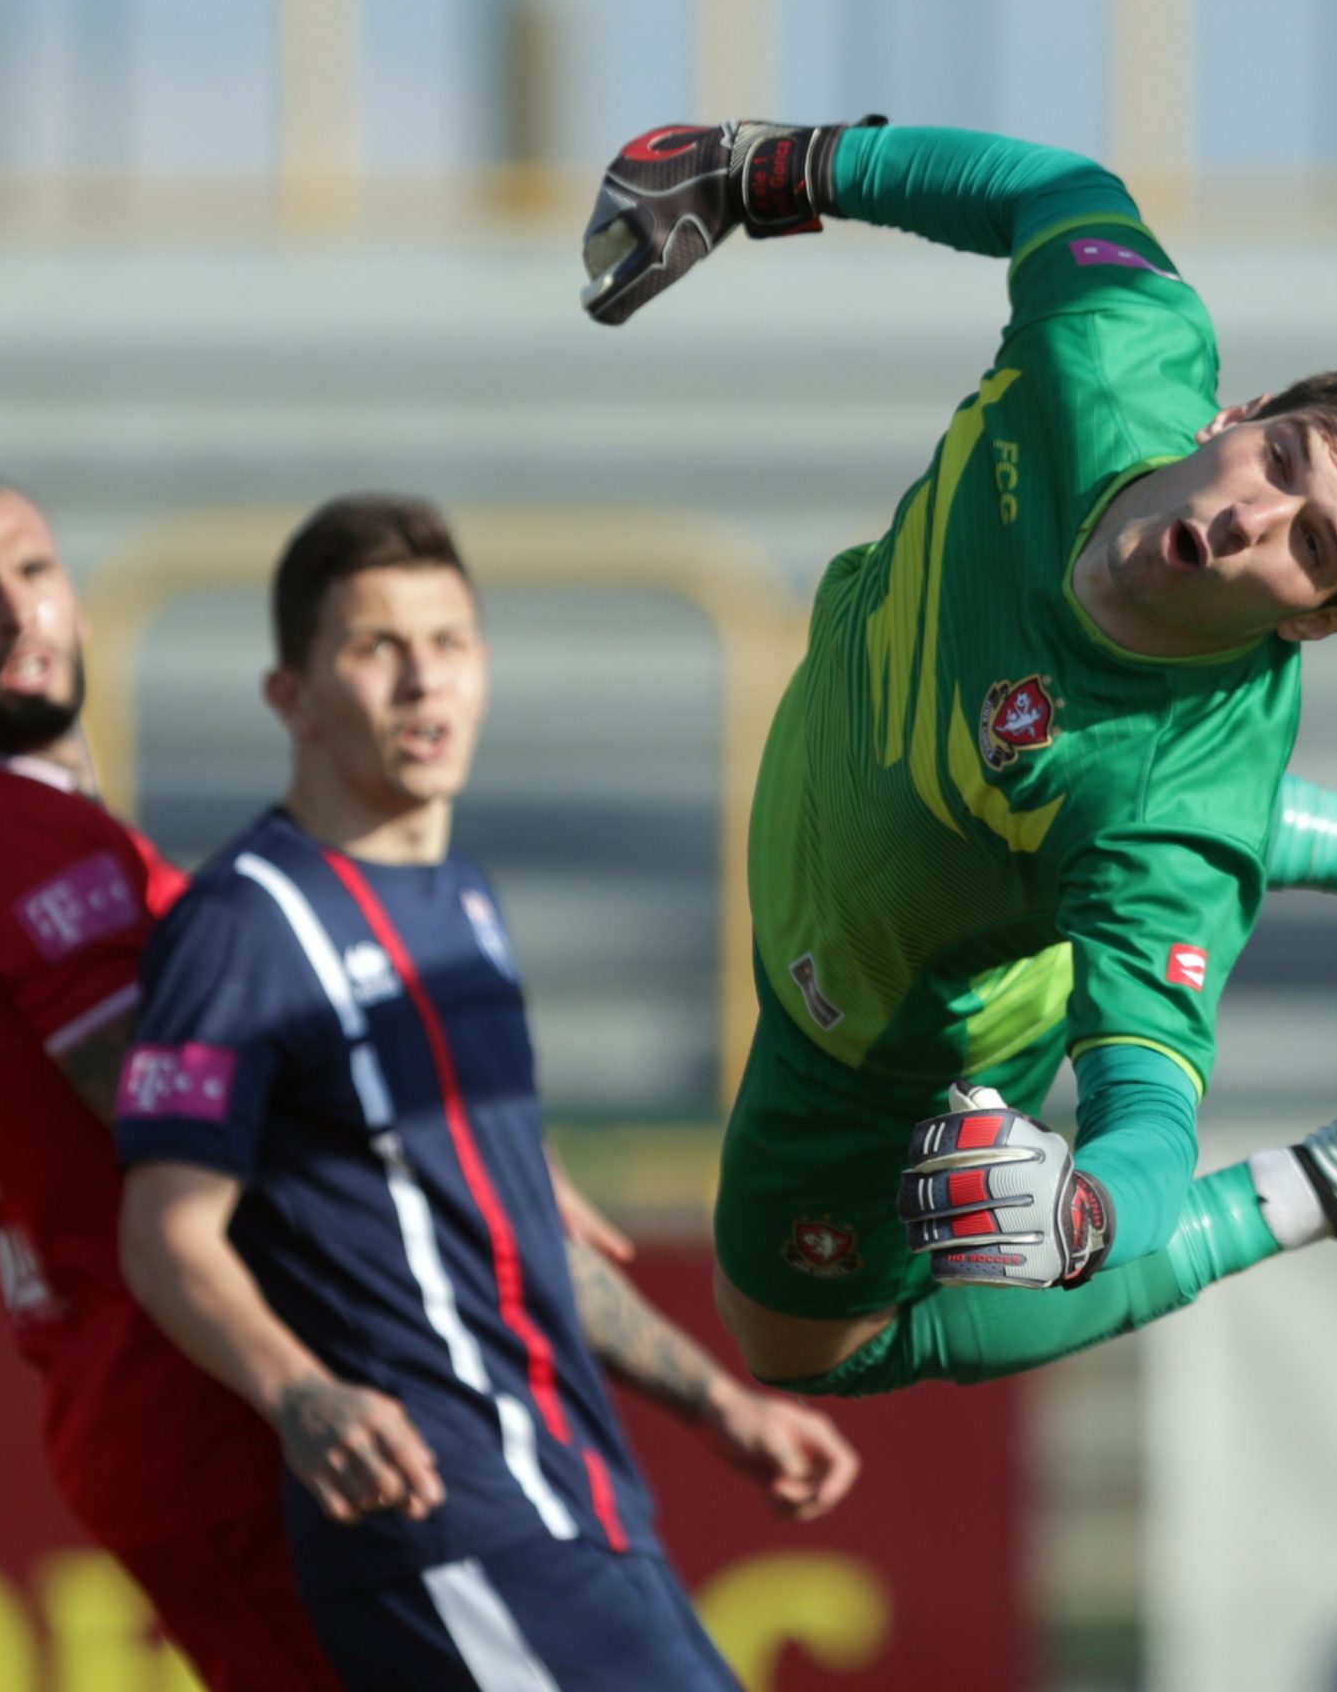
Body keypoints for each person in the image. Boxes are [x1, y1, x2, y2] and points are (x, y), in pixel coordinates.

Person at [577, 119, 1337, 1396]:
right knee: (1063, 795)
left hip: (892, 1037)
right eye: (1278, 459)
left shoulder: (1169, 816)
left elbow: (1147, 1119)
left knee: (799, 1350)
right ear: (1235, 411)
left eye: (1308, 545)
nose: (1249, 516)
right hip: (914, 850)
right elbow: (1054, 190)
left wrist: (1086, 1221)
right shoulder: (1119, 348)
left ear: (1320, 619)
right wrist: (765, 168)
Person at [115, 496, 860, 1692]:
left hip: (577, 1494)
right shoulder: (247, 924)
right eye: (377, 648)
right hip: (441, 1512)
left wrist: (719, 1403)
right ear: (290, 697)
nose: (424, 684)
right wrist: (300, 1394)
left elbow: (514, 1226)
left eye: (449, 644)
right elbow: (164, 1232)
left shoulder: (464, 902)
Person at [0, 478, 343, 1690]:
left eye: (32, 570)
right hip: (193, 1385)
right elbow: (165, 1103)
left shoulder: (23, 826)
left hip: (161, 1386)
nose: (15, 612)